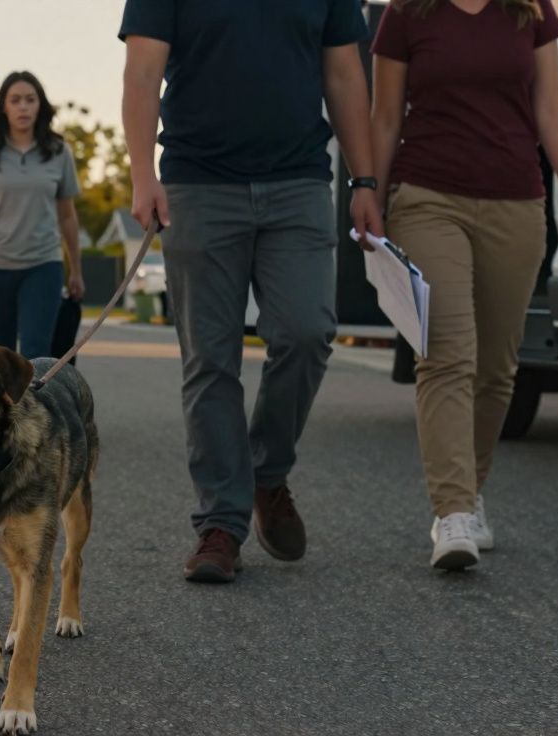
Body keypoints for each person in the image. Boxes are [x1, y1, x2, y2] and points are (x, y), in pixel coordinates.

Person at [120, 0, 384, 583]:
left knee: (307, 332)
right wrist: (143, 173)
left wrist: (363, 179)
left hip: (298, 183)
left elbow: (344, 73)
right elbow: (142, 72)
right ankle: (221, 523)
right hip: (198, 184)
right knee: (211, 360)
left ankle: (266, 472)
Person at [371, 0, 558, 570]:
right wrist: (369, 192)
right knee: (447, 355)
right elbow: (386, 117)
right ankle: (453, 514)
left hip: (516, 201)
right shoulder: (406, 14)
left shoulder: (530, 11)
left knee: (497, 368)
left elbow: (549, 106)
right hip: (427, 197)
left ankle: (469, 492)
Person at [0, 71, 86, 359]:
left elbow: (67, 217)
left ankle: (35, 407)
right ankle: (8, 408)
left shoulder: (59, 152)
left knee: (36, 354)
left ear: (40, 106)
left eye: (30, 99)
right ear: (4, 107)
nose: (23, 107)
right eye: (15, 100)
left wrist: (75, 269)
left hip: (42, 266)